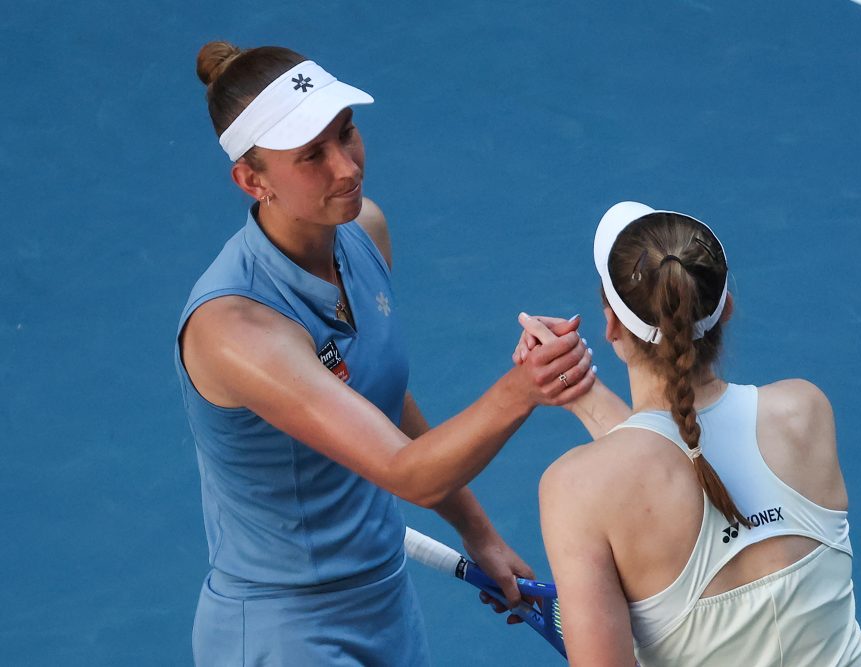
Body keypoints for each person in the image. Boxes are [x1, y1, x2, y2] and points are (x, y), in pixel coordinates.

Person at [176, 41, 595, 666]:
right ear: (250, 179)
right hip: (284, 633)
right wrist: (524, 387)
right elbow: (408, 473)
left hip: (386, 603)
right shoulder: (233, 328)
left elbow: (379, 394)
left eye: (347, 134)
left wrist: (478, 533)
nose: (346, 168)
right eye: (312, 156)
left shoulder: (362, 229)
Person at [526, 202, 861, 665]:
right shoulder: (804, 411)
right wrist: (581, 393)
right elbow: (681, 455)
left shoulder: (576, 491)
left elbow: (660, 465)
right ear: (725, 309)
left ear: (611, 326)